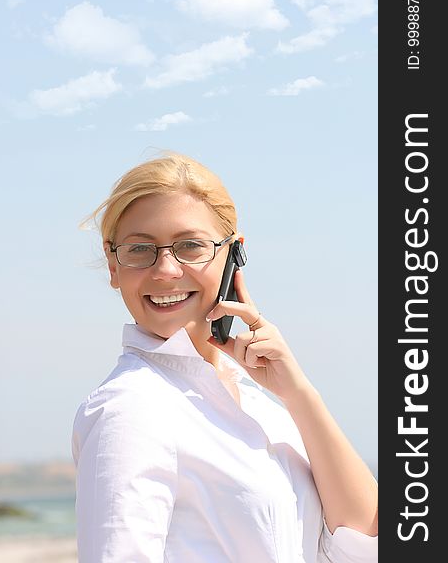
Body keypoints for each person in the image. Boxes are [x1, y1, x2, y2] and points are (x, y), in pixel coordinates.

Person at [72, 151, 378, 562]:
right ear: (114, 265)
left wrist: (300, 394)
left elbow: (362, 538)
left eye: (190, 246)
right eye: (139, 249)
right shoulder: (130, 409)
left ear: (234, 254)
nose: (164, 269)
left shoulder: (259, 401)